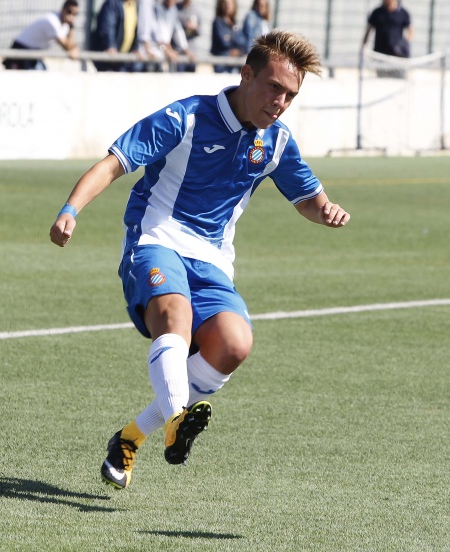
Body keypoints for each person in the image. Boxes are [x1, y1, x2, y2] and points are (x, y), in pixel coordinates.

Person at [49, 29, 350, 490]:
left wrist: (324, 210)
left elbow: (308, 197)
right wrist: (71, 210)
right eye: (274, 88)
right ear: (246, 74)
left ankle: (131, 437)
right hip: (157, 239)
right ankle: (176, 421)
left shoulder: (277, 141)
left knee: (234, 345)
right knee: (176, 316)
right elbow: (115, 162)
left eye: (291, 95)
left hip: (212, 260)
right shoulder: (187, 117)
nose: (281, 102)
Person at [2, 0, 80, 70]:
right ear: (63, 9)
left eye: (75, 14)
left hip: (34, 53)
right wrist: (72, 28)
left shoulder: (66, 25)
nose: (71, 16)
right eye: (69, 11)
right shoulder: (53, 21)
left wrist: (74, 49)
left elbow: (69, 45)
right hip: (22, 49)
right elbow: (66, 46)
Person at [90, 0, 145, 72]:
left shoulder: (135, 5)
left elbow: (136, 29)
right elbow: (107, 26)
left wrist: (136, 48)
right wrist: (110, 46)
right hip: (108, 58)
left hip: (123, 59)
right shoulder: (112, 3)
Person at [210, 0, 244, 73]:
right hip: (221, 63)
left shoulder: (235, 23)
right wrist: (234, 38)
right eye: (225, 3)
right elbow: (224, 42)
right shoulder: (217, 22)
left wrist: (229, 37)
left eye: (230, 4)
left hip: (234, 64)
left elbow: (242, 42)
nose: (228, 6)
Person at [176, 0, 200, 71]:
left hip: (192, 52)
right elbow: (174, 30)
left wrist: (195, 28)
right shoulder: (175, 8)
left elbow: (200, 31)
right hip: (178, 52)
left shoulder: (195, 10)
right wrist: (185, 25)